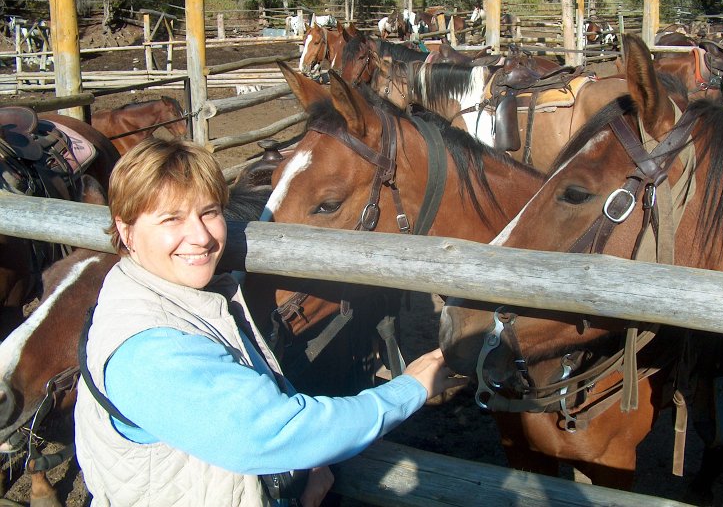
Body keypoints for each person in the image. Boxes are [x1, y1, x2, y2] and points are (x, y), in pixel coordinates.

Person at [74, 137, 464, 507]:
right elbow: (277, 433)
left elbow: (252, 404)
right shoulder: (151, 350)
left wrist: (305, 460)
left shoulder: (161, 295)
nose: (201, 237)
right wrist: (409, 389)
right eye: (171, 219)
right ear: (126, 230)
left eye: (209, 212)